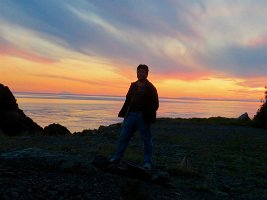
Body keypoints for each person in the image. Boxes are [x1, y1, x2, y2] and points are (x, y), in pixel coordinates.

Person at [110, 64, 159, 170]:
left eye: (142, 72)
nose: (140, 73)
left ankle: (147, 163)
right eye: (139, 71)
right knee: (123, 137)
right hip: (131, 115)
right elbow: (128, 100)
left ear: (147, 73)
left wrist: (147, 114)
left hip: (143, 117)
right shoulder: (133, 85)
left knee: (147, 140)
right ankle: (116, 158)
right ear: (137, 73)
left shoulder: (151, 88)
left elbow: (155, 104)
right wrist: (125, 115)